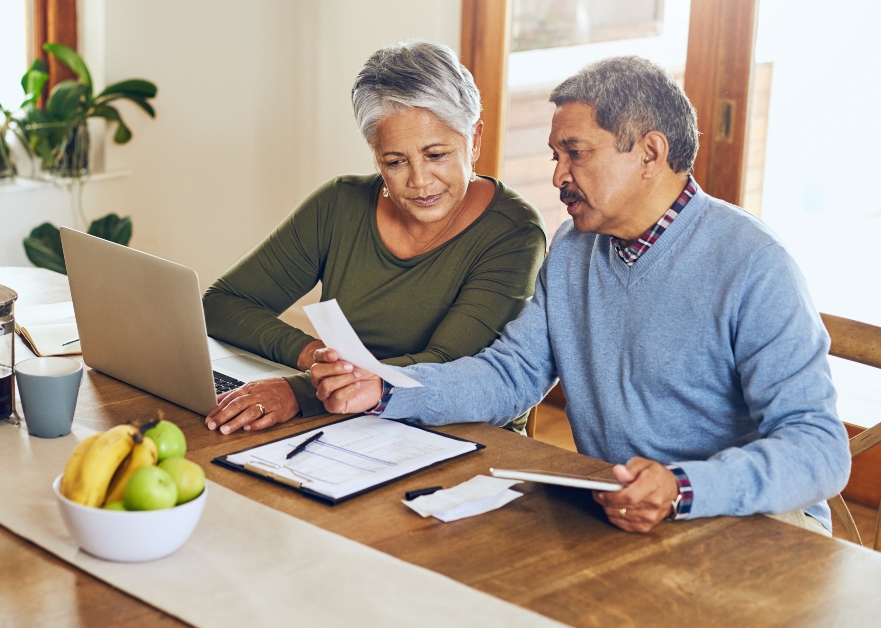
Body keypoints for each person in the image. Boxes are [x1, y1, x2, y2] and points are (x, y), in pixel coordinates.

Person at [310, 56, 851, 535]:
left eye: (575, 153)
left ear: (650, 153)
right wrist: (386, 389)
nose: (558, 177)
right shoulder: (574, 248)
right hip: (624, 514)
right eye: (555, 156)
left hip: (753, 524)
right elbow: (511, 374)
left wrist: (682, 488)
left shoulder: (753, 263)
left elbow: (819, 450)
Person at [201, 41, 546, 435]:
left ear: (475, 139)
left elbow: (448, 366)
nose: (420, 181)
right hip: (346, 423)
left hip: (460, 435)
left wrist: (302, 391)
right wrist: (315, 358)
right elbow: (222, 304)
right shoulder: (340, 204)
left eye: (436, 155)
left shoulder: (514, 232)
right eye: (395, 161)